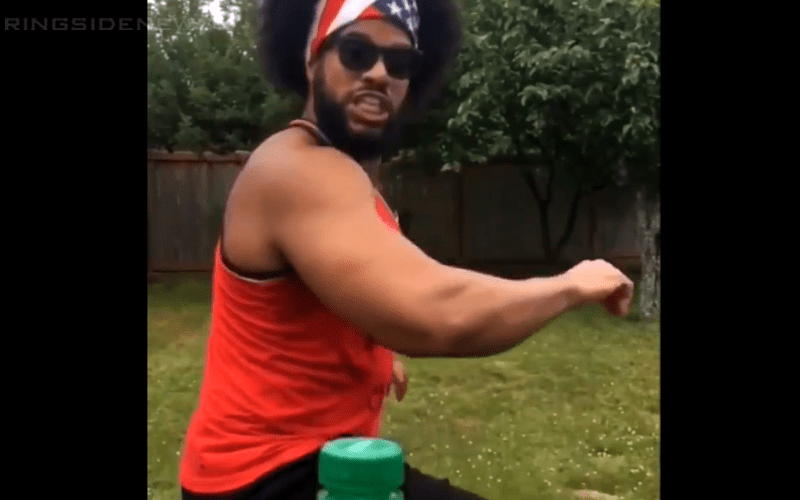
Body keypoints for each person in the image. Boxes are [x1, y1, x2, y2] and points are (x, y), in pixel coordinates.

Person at [178, 0, 635, 499]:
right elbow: (435, 313)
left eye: (400, 63)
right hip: (263, 478)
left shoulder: (353, 184)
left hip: (318, 463)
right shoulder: (297, 171)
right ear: (312, 61)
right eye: (356, 52)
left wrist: (376, 352)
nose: (379, 74)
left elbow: (346, 293)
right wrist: (572, 285)